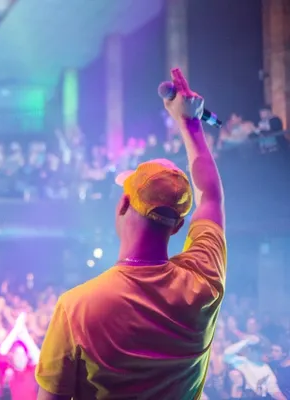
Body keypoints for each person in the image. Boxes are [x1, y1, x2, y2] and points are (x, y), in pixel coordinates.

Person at [35, 68, 227, 399]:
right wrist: (192, 125)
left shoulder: (77, 308)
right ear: (178, 225)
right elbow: (210, 197)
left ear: (123, 204)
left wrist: (188, 121)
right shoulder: (204, 283)